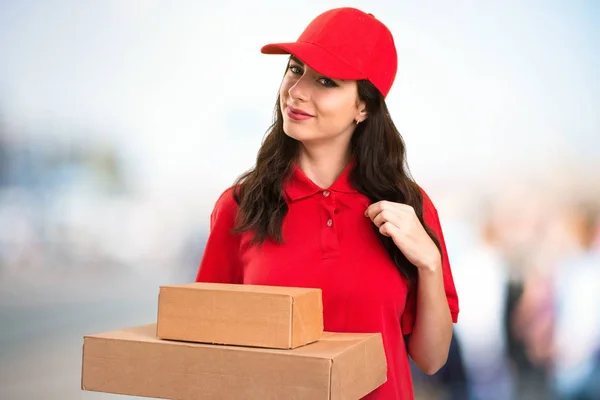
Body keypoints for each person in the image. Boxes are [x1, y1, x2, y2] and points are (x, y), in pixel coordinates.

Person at [195, 7, 459, 399]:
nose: (298, 90)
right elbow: (205, 346)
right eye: (294, 68)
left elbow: (431, 359)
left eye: (325, 81)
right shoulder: (241, 206)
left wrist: (430, 263)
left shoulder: (409, 208)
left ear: (364, 107)